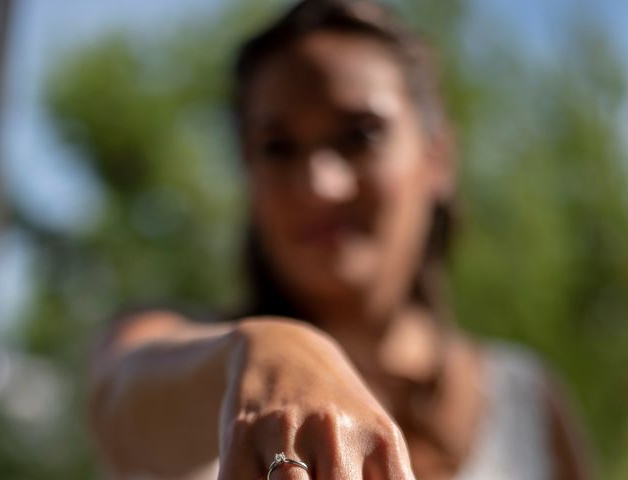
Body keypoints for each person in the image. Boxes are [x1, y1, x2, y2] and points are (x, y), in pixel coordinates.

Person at [89, 1, 593, 479]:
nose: (318, 185)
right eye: (278, 148)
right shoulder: (186, 355)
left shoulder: (528, 401)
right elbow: (118, 401)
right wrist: (269, 351)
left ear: (437, 157)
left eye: (361, 134)